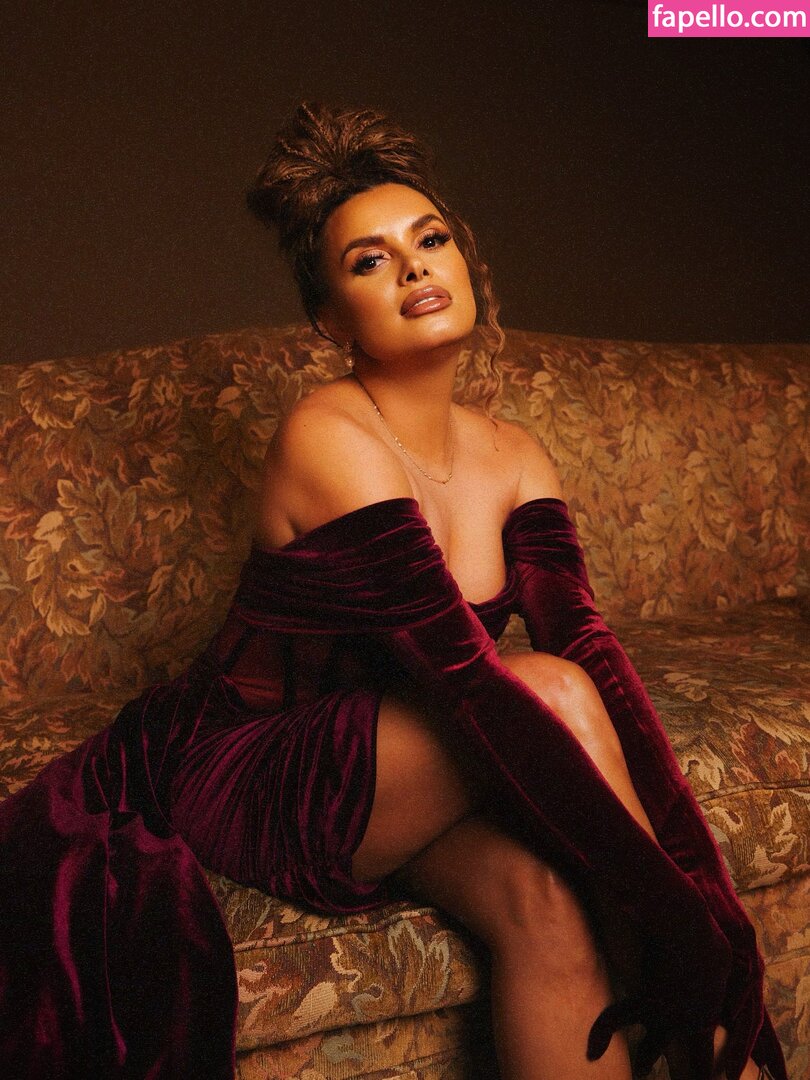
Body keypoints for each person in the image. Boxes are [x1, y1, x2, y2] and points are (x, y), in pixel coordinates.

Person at [0, 102, 784, 1080]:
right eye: (371, 261)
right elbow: (472, 680)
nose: (414, 268)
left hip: (407, 761)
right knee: (550, 695)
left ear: (466, 264)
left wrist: (709, 910)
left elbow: (592, 651)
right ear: (330, 320)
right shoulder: (329, 436)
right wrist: (678, 931)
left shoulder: (516, 453)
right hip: (256, 765)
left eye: (430, 240)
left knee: (546, 905)